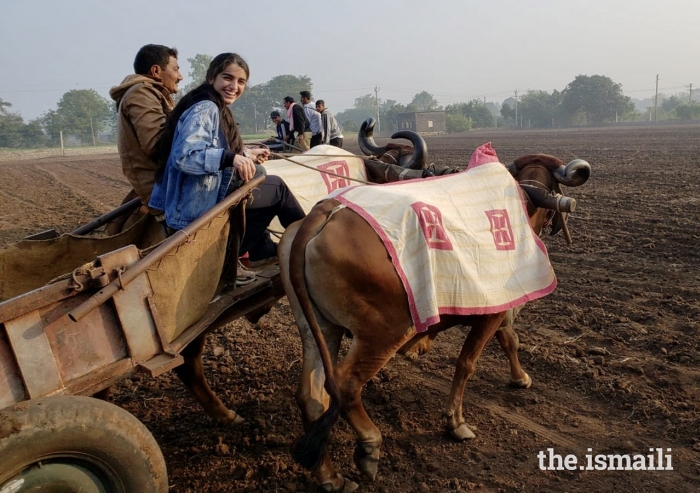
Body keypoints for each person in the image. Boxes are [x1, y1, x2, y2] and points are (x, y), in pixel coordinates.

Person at [149, 53, 305, 284]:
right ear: (212, 77)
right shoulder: (206, 108)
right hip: (192, 205)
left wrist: (246, 155)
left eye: (240, 82)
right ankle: (305, 243)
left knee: (258, 175)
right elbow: (185, 156)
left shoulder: (210, 104)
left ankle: (253, 248)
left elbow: (212, 147)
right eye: (227, 78)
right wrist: (230, 157)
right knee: (277, 188)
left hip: (193, 197)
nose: (234, 86)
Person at [110, 44, 183, 213]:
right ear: (156, 71)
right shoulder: (141, 93)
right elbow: (157, 145)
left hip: (168, 181)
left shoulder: (147, 93)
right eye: (176, 69)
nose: (180, 76)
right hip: (163, 188)